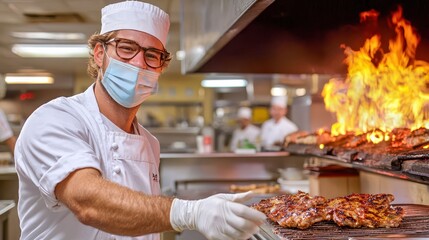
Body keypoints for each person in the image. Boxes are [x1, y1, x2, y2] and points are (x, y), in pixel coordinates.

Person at [14, 1, 265, 240]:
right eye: (126, 48)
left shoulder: (149, 143)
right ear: (100, 54)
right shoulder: (56, 119)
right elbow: (86, 202)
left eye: (152, 55)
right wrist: (189, 213)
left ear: (161, 68)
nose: (138, 63)